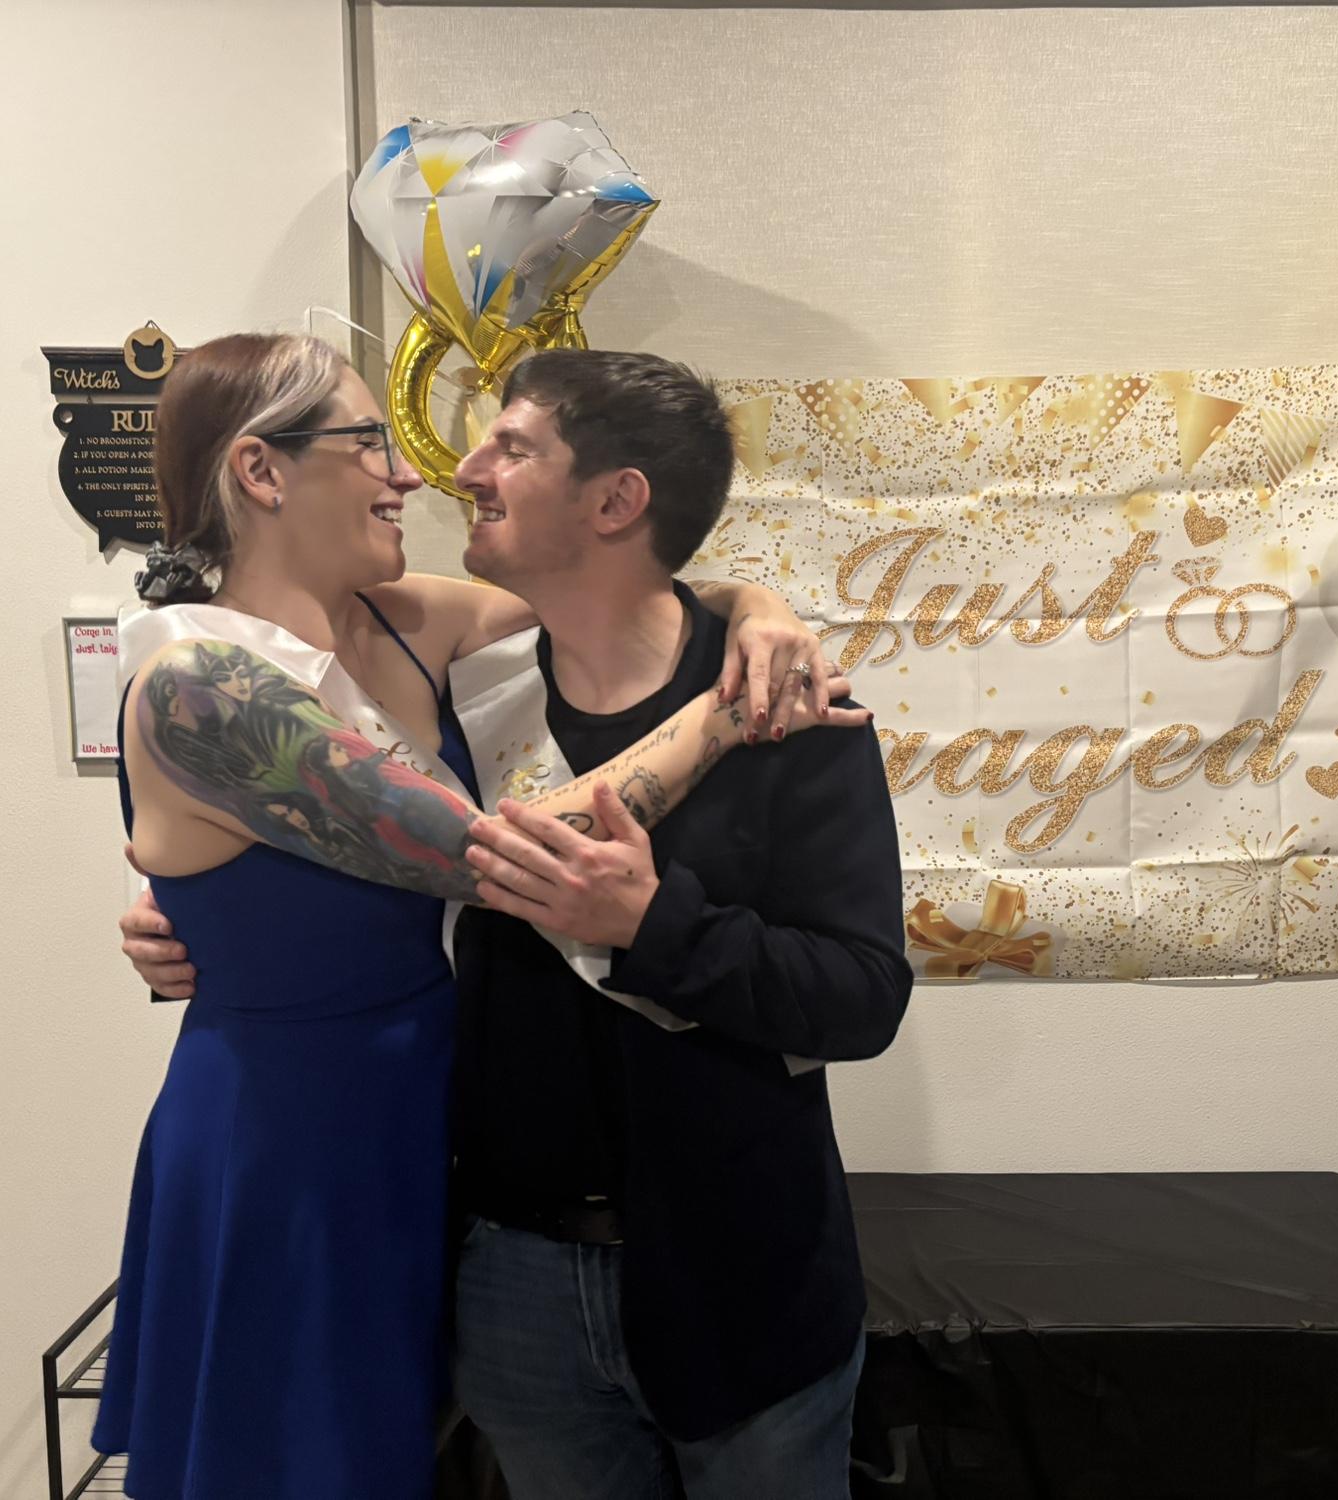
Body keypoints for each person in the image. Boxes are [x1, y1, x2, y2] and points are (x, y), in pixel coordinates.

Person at [98, 332, 861, 1500]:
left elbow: (625, 578)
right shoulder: (201, 681)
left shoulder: (404, 623)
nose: (413, 472)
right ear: (260, 471)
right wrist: (724, 718)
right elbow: (493, 858)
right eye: (370, 441)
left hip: (432, 1141)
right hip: (294, 1142)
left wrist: (764, 609)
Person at [435, 350, 914, 1497]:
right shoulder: (461, 696)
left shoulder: (790, 709)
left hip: (744, 1274)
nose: (466, 468)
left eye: (513, 447)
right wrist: (199, 927)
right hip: (515, 1283)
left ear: (616, 501)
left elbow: (863, 996)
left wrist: (656, 924)